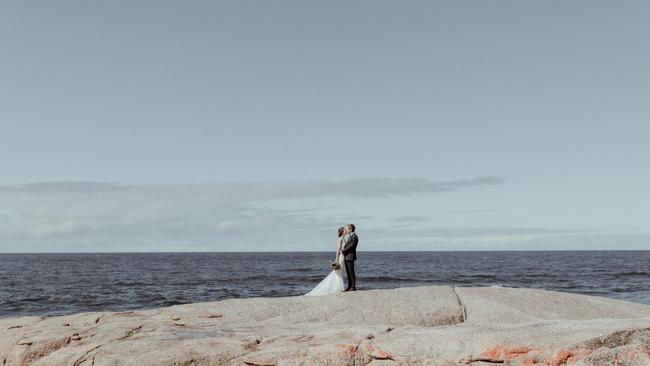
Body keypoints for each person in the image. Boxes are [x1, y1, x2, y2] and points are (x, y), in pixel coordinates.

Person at [304, 227, 346, 296]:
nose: (346, 231)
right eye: (344, 230)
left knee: (340, 271)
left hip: (343, 256)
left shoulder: (344, 238)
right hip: (341, 257)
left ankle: (341, 287)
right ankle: (339, 287)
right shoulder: (340, 239)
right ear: (342, 232)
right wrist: (337, 259)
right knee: (338, 271)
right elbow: (338, 249)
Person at [341, 224, 358, 291]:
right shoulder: (351, 236)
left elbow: (351, 246)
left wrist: (343, 251)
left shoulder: (354, 237)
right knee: (348, 272)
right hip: (347, 256)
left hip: (350, 256)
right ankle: (349, 286)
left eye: (347, 229)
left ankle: (353, 287)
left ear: (350, 229)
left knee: (351, 272)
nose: (347, 230)